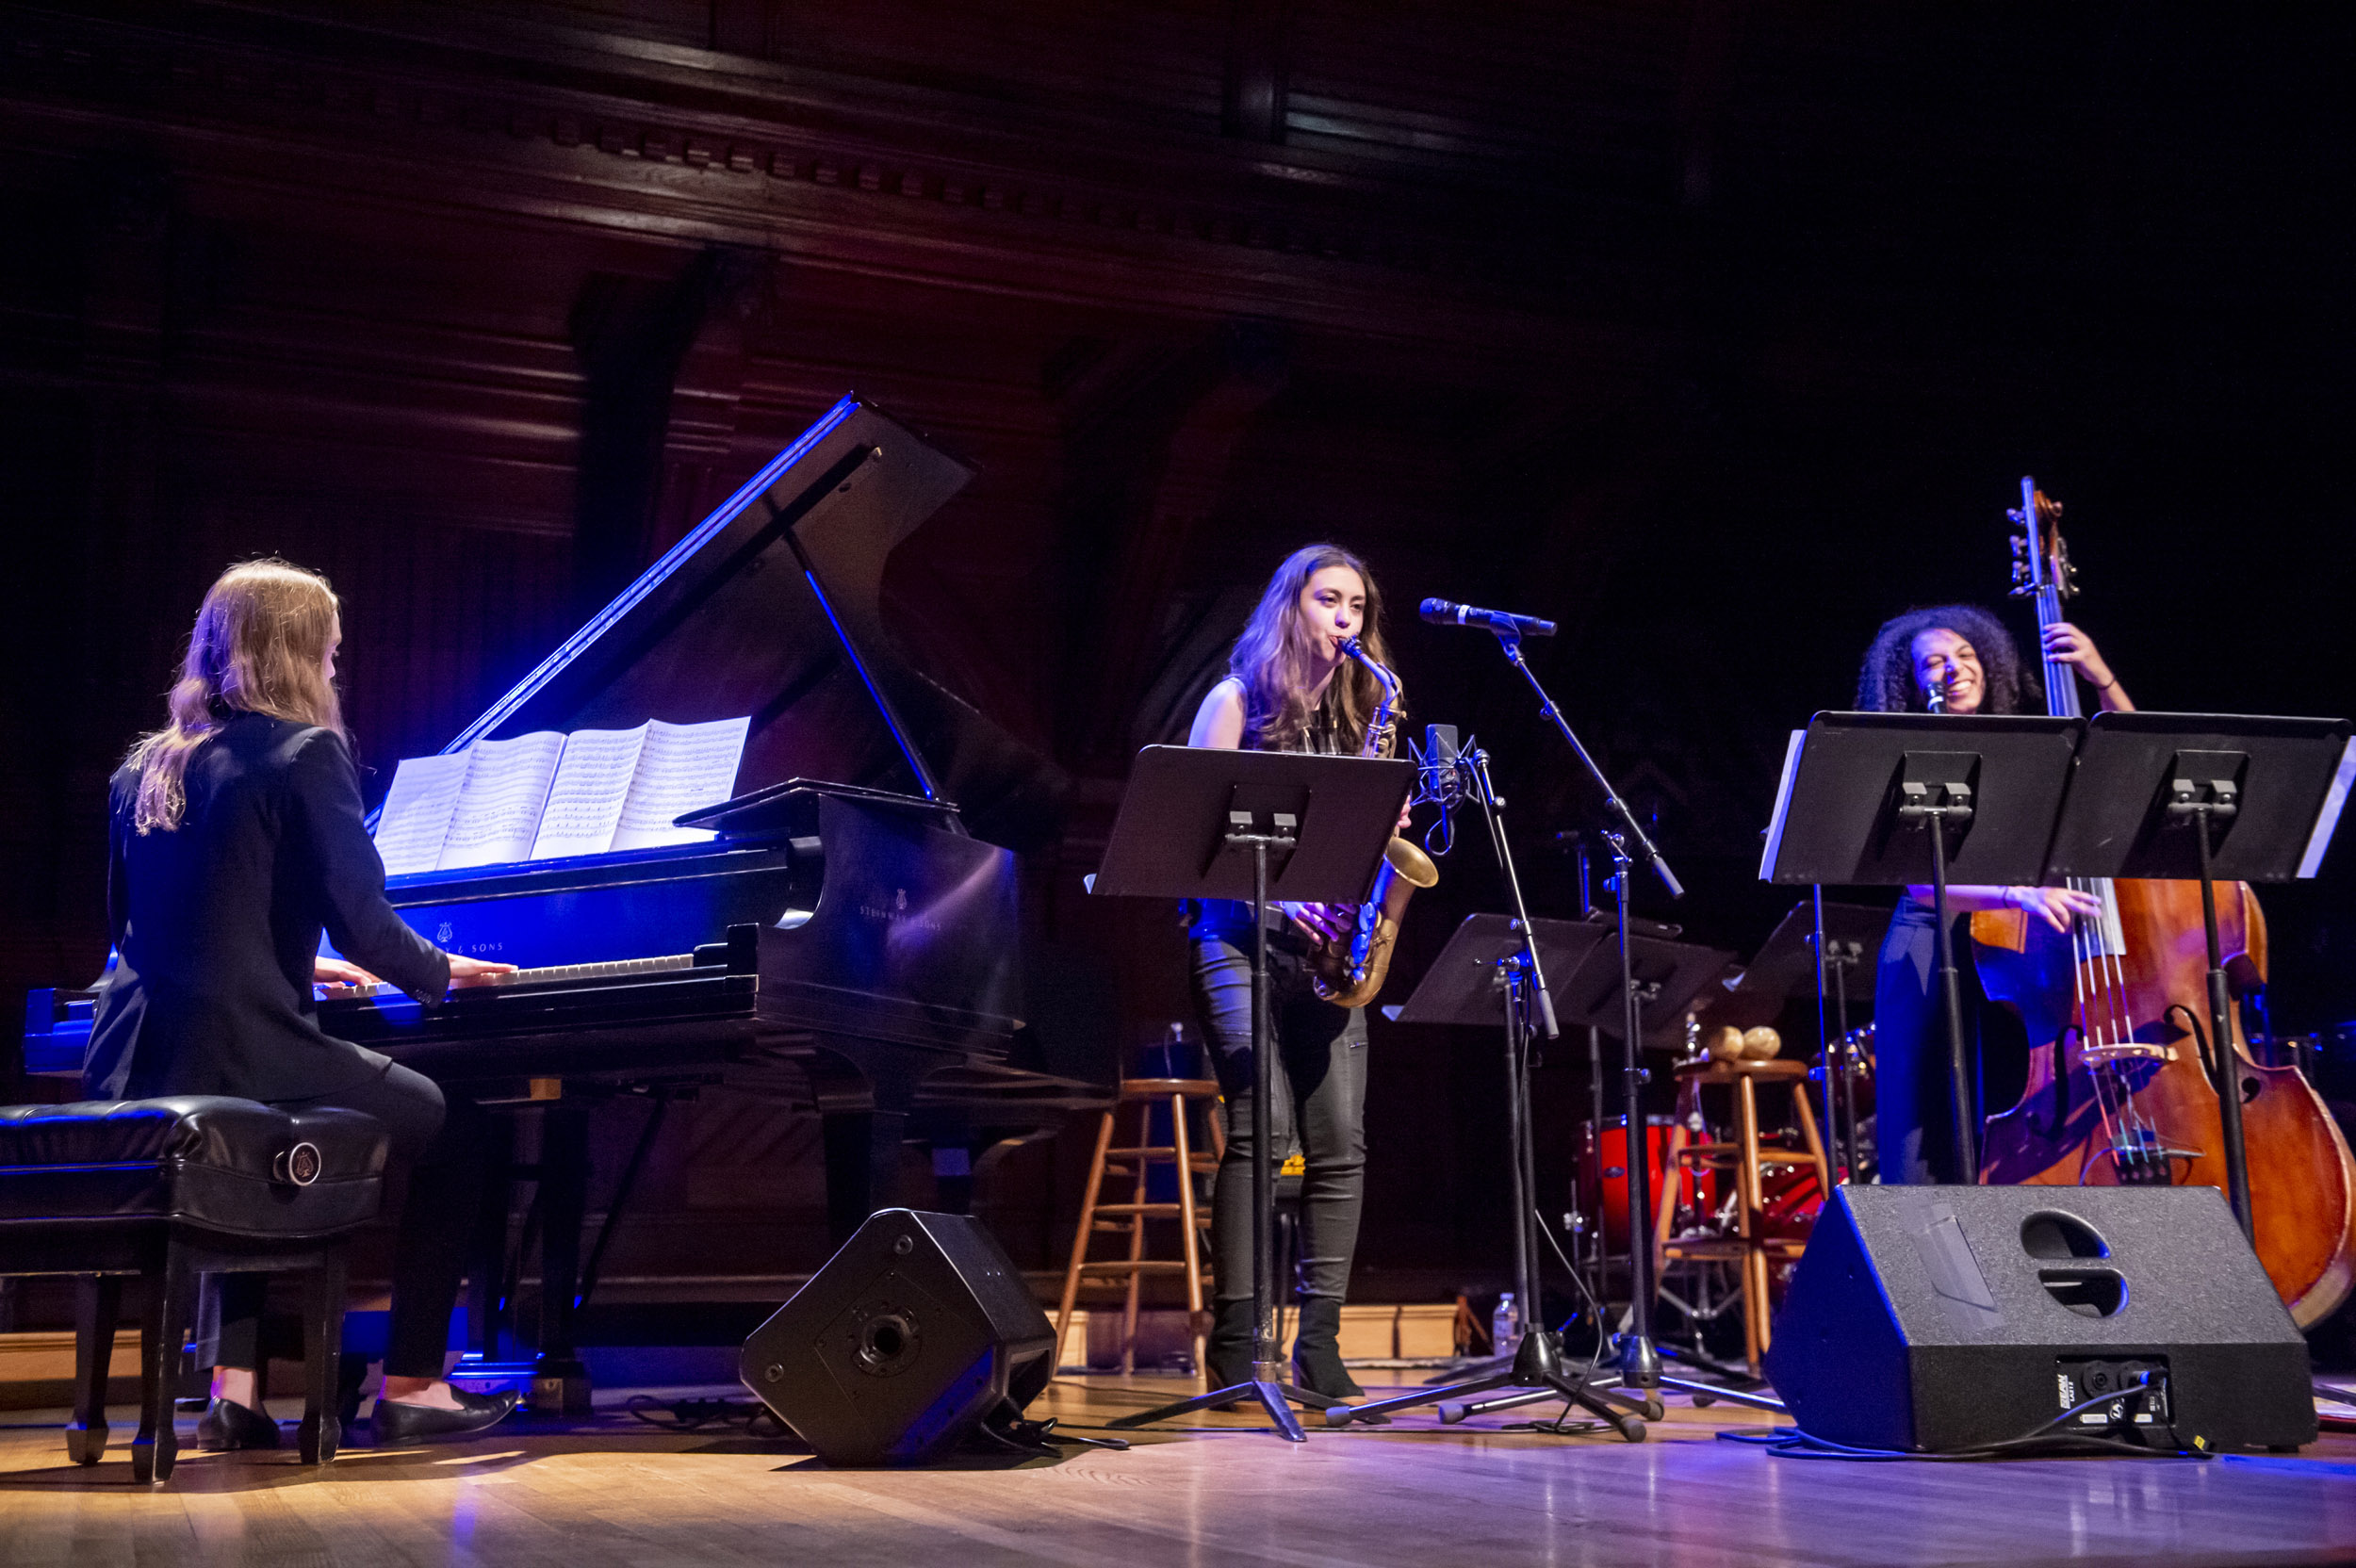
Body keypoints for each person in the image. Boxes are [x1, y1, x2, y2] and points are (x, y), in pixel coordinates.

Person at [85, 559, 522, 1450]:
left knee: (246, 1148)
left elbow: (141, 929)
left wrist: (304, 967)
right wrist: (438, 970)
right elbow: (364, 926)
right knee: (461, 1131)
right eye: (328, 657)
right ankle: (416, 1382)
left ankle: (234, 1393)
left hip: (144, 1057)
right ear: (293, 657)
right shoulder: (306, 754)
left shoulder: (143, 772)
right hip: (255, 1052)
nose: (333, 674)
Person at [1186, 542, 1404, 1399]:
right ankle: (1238, 1348)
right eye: (1328, 601)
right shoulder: (1233, 701)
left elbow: (1380, 850)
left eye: (1358, 606)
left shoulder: (1363, 718)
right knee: (1263, 1135)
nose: (1346, 619)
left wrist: (1367, 911)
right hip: (1237, 938)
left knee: (1340, 1148)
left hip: (1326, 956)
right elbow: (1193, 841)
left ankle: (1320, 1349)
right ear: (1292, 608)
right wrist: (1285, 903)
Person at [1854, 604, 2132, 1184]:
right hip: (1932, 944)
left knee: (2003, 1107)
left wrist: (2100, 678)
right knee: (1924, 1132)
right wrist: (2017, 894)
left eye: (1966, 655)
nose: (1956, 669)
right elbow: (1920, 882)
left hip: (2016, 941)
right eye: (1935, 663)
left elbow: (2132, 766)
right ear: (1911, 682)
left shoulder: (2026, 746)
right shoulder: (1907, 754)